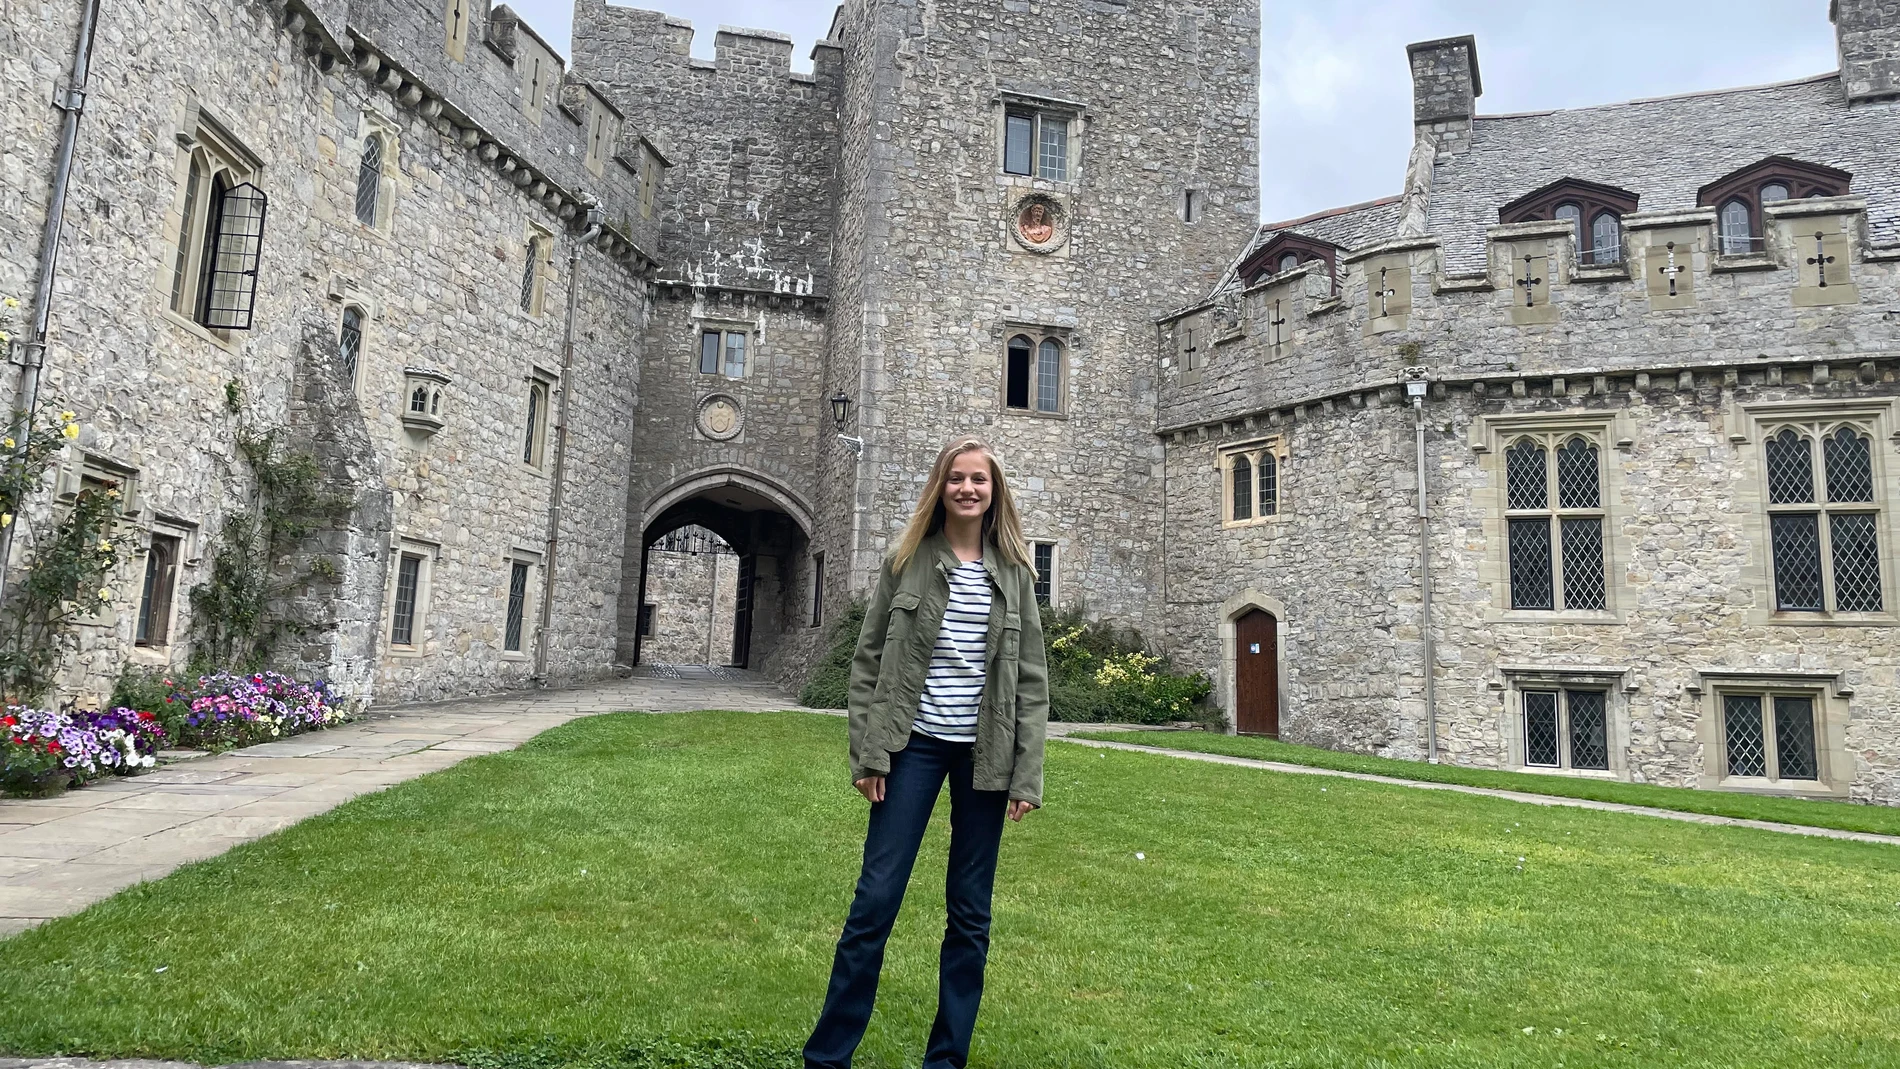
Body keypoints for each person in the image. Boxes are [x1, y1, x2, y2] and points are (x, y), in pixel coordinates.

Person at [804, 435, 1050, 1069]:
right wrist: (868, 755)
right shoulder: (906, 561)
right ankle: (828, 1057)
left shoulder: (1017, 573)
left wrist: (1027, 776)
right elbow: (867, 662)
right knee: (875, 901)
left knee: (970, 915)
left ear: (995, 493)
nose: (968, 489)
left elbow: (1030, 681)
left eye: (980, 480)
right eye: (956, 479)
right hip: (910, 747)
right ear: (940, 488)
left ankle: (946, 1060)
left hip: (985, 758)